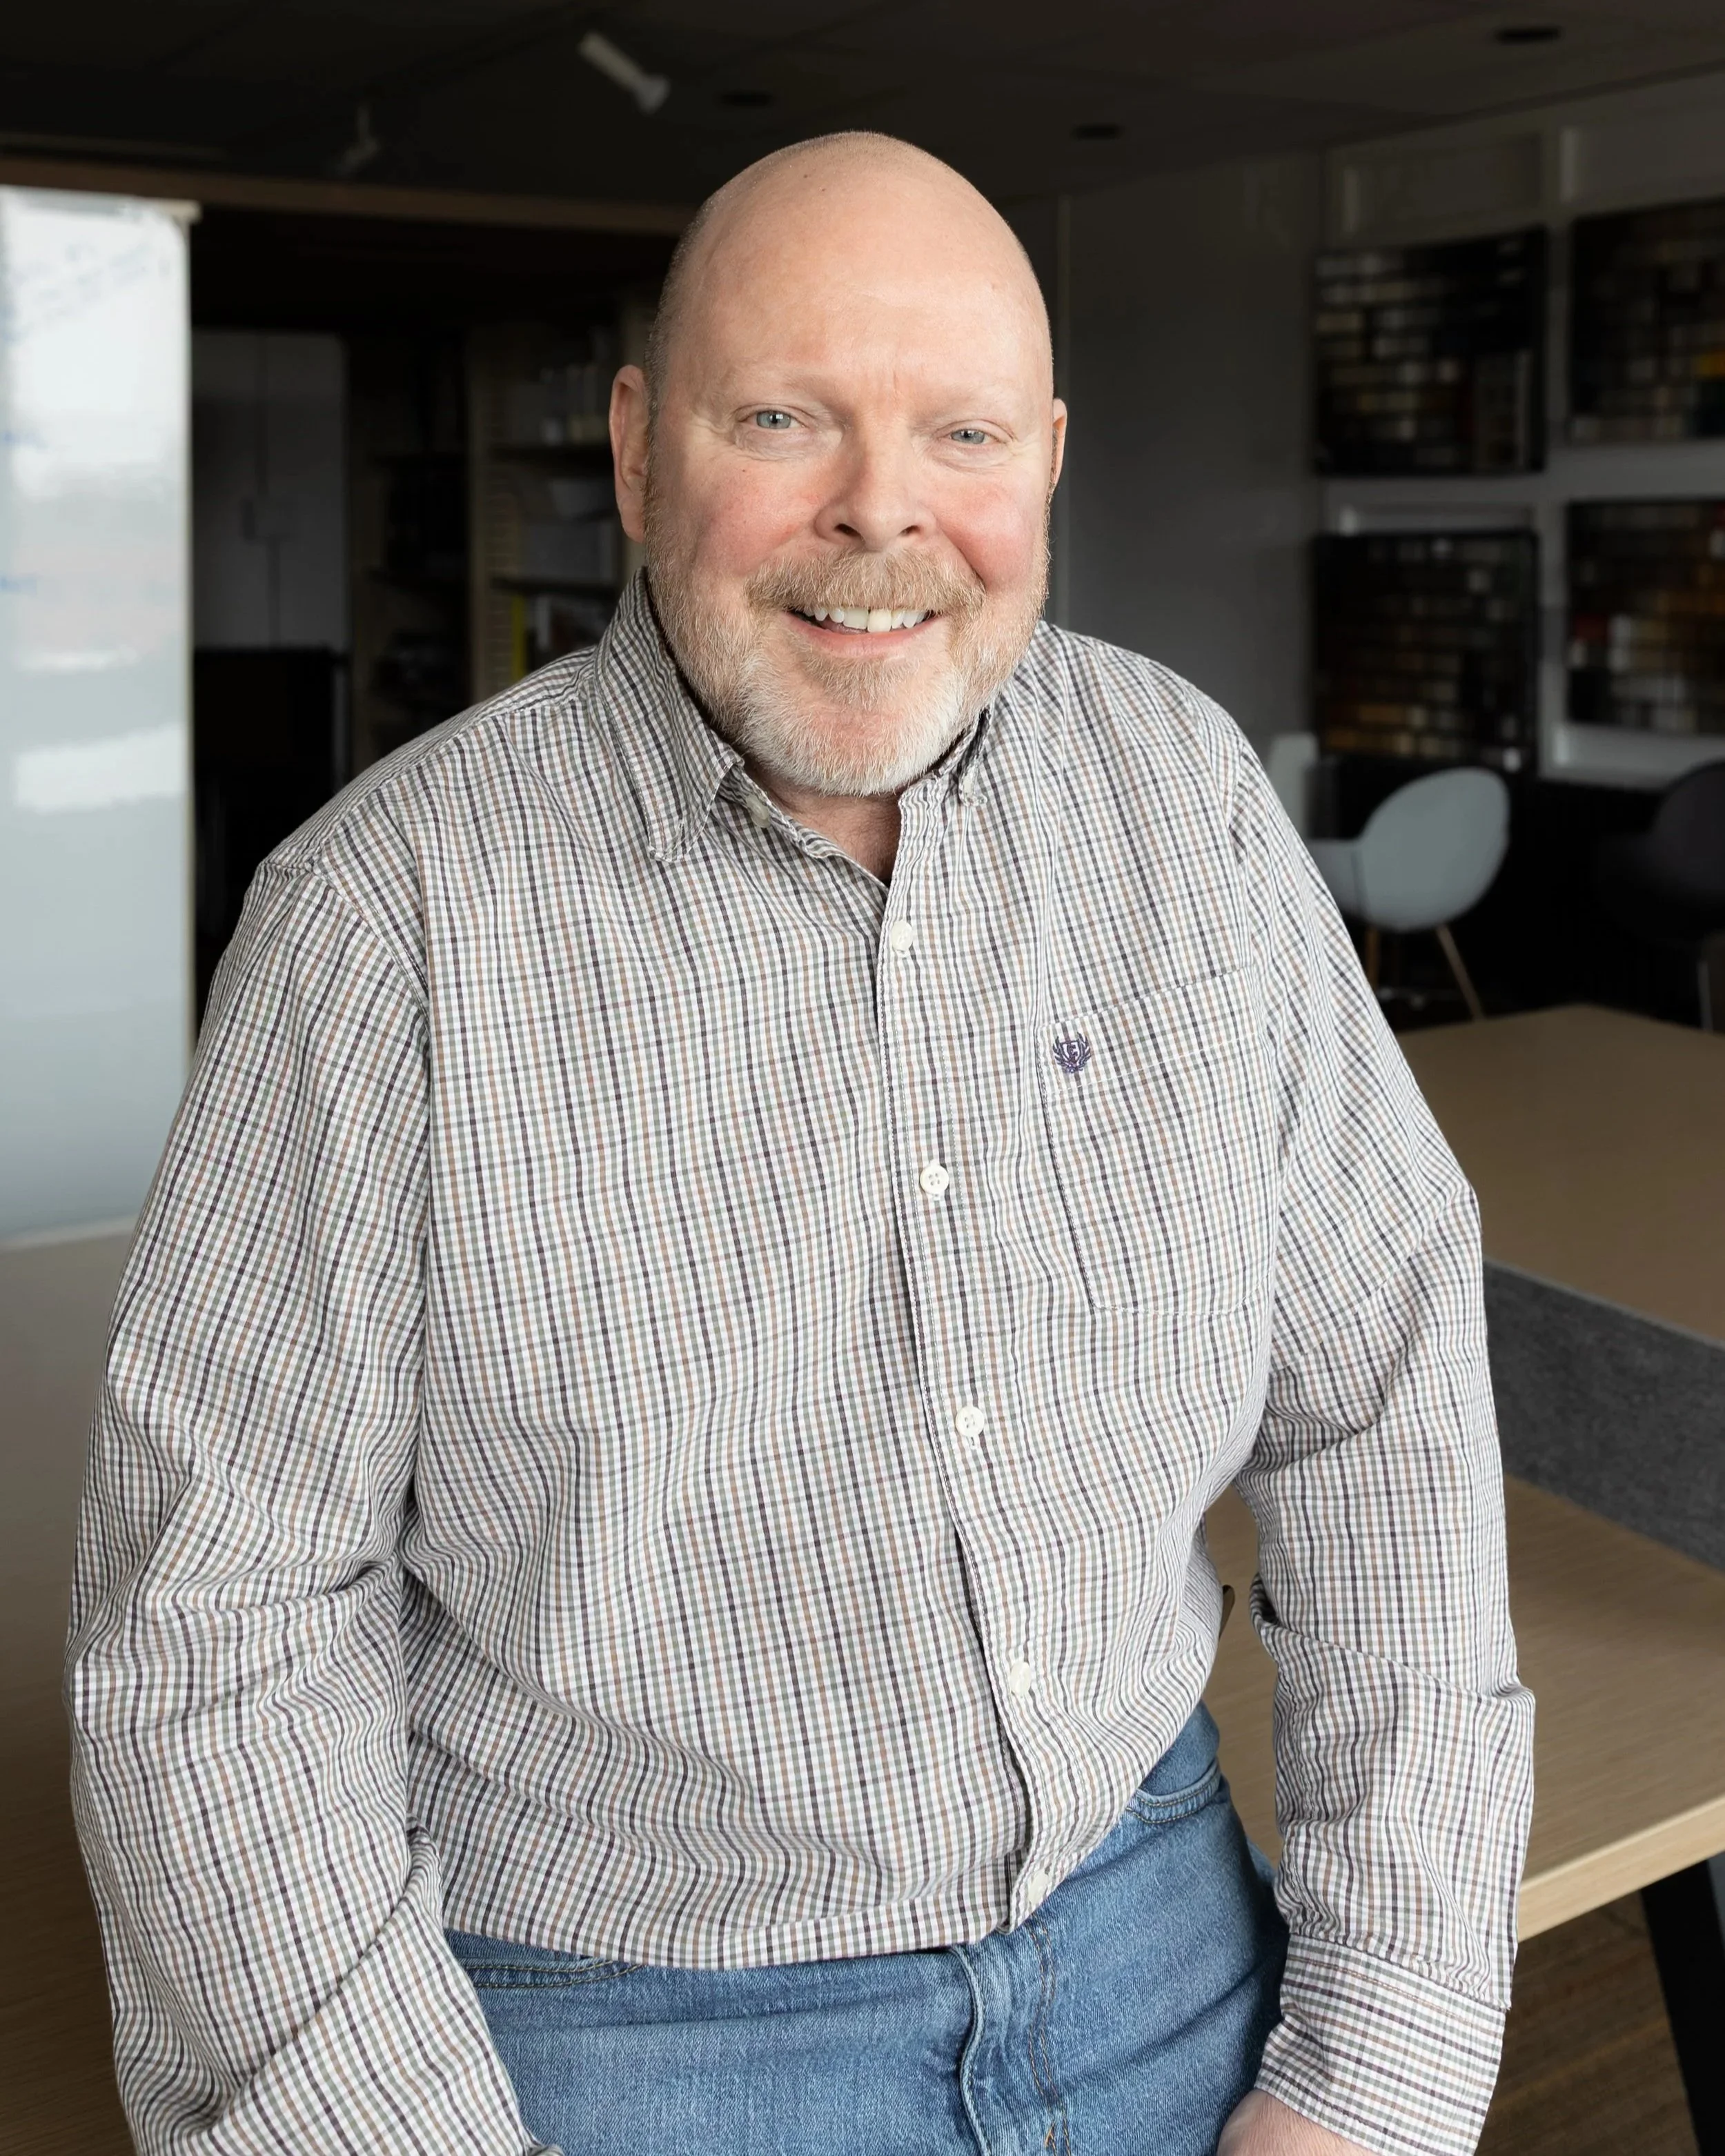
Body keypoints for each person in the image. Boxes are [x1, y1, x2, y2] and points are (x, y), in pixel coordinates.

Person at [68, 132, 1533, 2156]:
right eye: (786, 419)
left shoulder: (1178, 802)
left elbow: (1387, 1399)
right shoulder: (383, 917)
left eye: (961, 432)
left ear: (1045, 459)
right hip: (613, 2038)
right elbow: (214, 1630)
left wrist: (1375, 2057)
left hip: (1162, 1930)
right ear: (640, 446)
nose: (884, 513)